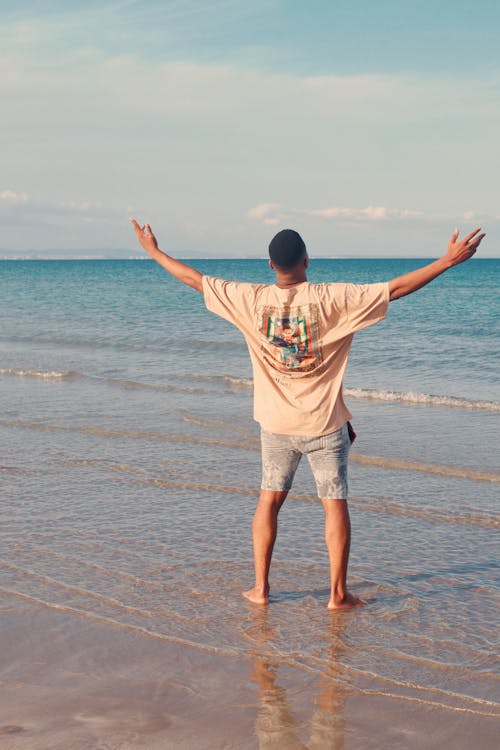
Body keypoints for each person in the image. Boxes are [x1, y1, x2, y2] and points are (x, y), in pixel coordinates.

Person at [130, 218, 485, 610]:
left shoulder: (248, 299)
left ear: (270, 265)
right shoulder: (334, 298)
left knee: (268, 502)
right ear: (307, 261)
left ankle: (261, 590)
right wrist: (447, 261)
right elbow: (396, 288)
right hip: (325, 424)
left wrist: (153, 252)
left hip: (276, 424)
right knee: (334, 505)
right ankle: (337, 595)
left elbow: (196, 280)